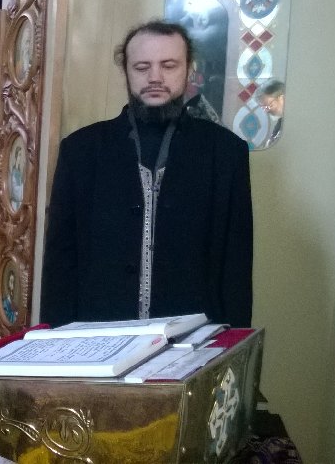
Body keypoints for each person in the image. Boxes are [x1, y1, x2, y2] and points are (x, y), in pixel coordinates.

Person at [41, 20, 253, 328]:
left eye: (168, 65)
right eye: (142, 67)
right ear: (126, 72)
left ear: (188, 69)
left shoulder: (225, 152)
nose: (155, 77)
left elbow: (236, 264)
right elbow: (61, 260)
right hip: (99, 334)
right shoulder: (82, 150)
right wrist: (57, 339)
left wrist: (233, 343)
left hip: (194, 337)